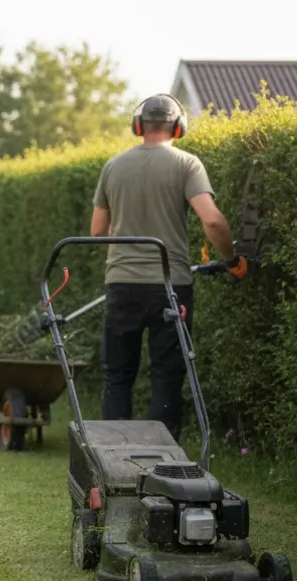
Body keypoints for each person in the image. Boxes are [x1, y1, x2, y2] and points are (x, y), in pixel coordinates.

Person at [89, 93, 237, 442]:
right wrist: (231, 258)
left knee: (117, 374)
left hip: (122, 285)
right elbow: (212, 222)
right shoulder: (187, 164)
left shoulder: (113, 166)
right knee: (168, 373)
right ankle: (164, 458)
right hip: (171, 286)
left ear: (138, 126)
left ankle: (112, 454)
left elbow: (97, 232)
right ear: (178, 127)